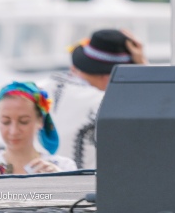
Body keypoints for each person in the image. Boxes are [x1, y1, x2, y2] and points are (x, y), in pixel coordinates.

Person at [39, 28, 147, 169]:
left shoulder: (46, 86)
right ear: (109, 77)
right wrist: (143, 64)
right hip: (83, 181)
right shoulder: (105, 102)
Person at [0, 82, 77, 175]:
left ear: (40, 121)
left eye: (24, 121)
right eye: (6, 122)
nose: (14, 131)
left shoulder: (64, 167)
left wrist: (60, 179)